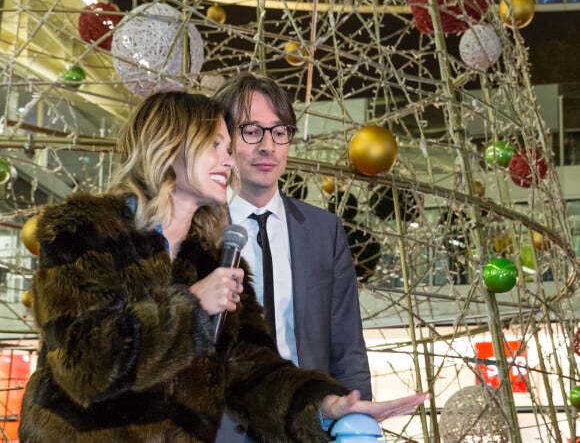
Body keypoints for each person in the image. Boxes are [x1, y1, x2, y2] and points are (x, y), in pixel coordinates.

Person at [18, 91, 428, 442]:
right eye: (215, 145)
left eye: (229, 150)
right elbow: (82, 364)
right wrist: (191, 307)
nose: (229, 161)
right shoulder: (84, 230)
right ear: (170, 144)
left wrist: (324, 406)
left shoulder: (214, 261)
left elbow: (252, 373)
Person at [214, 72, 375, 441]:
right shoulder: (199, 229)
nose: (267, 145)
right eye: (251, 130)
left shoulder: (323, 230)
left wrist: (358, 418)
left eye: (279, 131)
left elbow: (347, 344)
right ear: (222, 140)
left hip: (307, 426)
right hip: (222, 430)